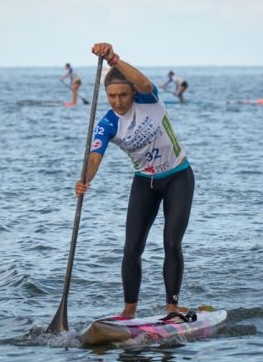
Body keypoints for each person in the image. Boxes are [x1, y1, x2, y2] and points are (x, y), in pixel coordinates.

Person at [76, 43, 194, 319]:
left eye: (123, 95)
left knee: (171, 241)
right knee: (132, 248)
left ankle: (172, 306)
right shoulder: (107, 123)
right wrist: (84, 180)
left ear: (132, 93)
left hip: (178, 177)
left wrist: (113, 59)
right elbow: (94, 157)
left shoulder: (149, 100)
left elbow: (142, 81)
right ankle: (128, 311)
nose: (117, 102)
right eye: (111, 96)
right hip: (145, 183)